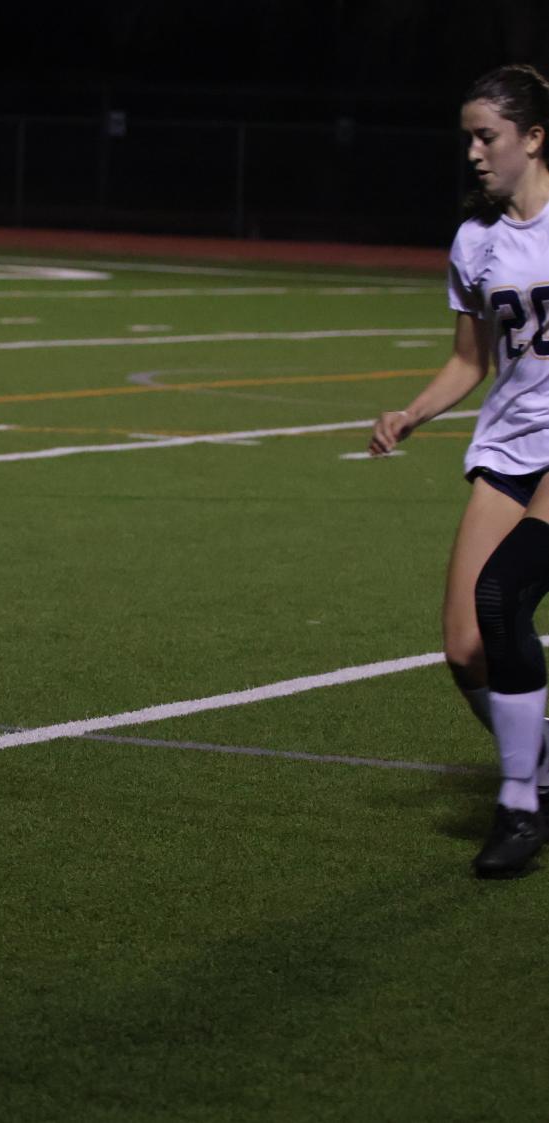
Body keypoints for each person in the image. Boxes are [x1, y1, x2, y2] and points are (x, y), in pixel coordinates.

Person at [371, 63, 549, 877]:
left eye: (488, 136)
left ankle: (519, 797)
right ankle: (538, 759)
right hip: (508, 447)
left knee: (503, 589)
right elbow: (467, 358)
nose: (474, 152)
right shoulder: (475, 240)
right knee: (463, 645)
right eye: (467, 138)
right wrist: (411, 412)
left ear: (533, 138)